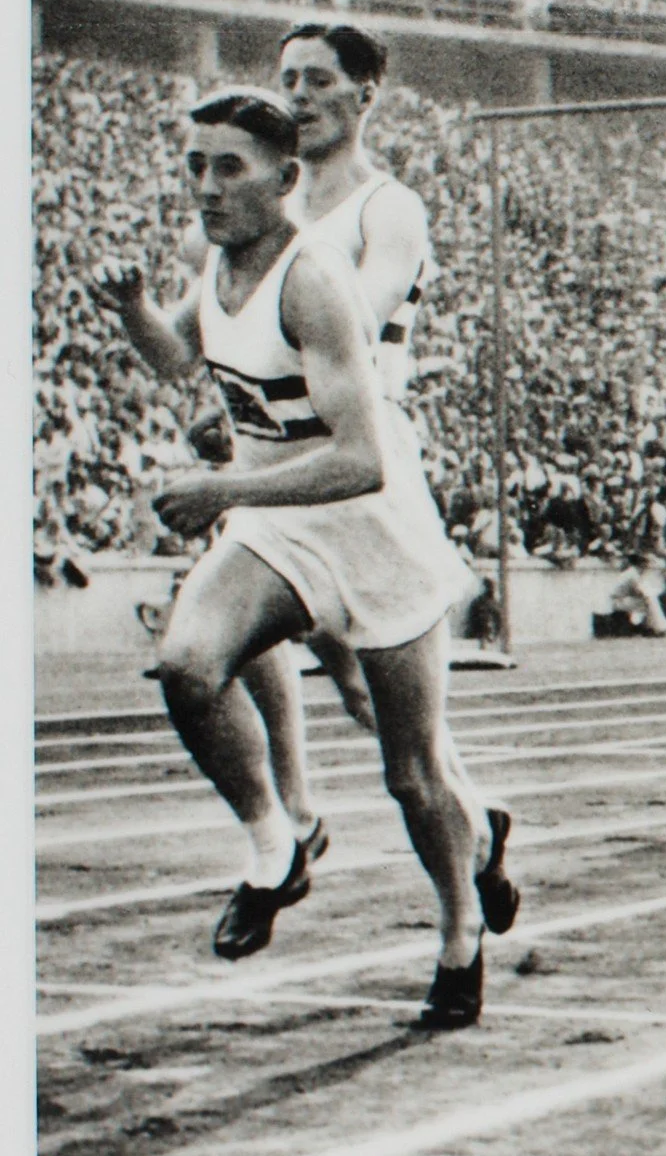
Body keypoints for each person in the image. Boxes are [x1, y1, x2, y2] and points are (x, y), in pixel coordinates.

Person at [93, 87, 513, 1030]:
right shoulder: (217, 260)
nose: (205, 186)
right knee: (185, 666)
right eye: (195, 165)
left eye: (228, 168)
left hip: (371, 533)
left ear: (285, 180)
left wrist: (225, 489)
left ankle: (458, 930)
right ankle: (275, 847)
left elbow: (360, 461)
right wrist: (131, 310)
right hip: (279, 526)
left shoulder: (313, 279)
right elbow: (178, 360)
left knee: (411, 772)